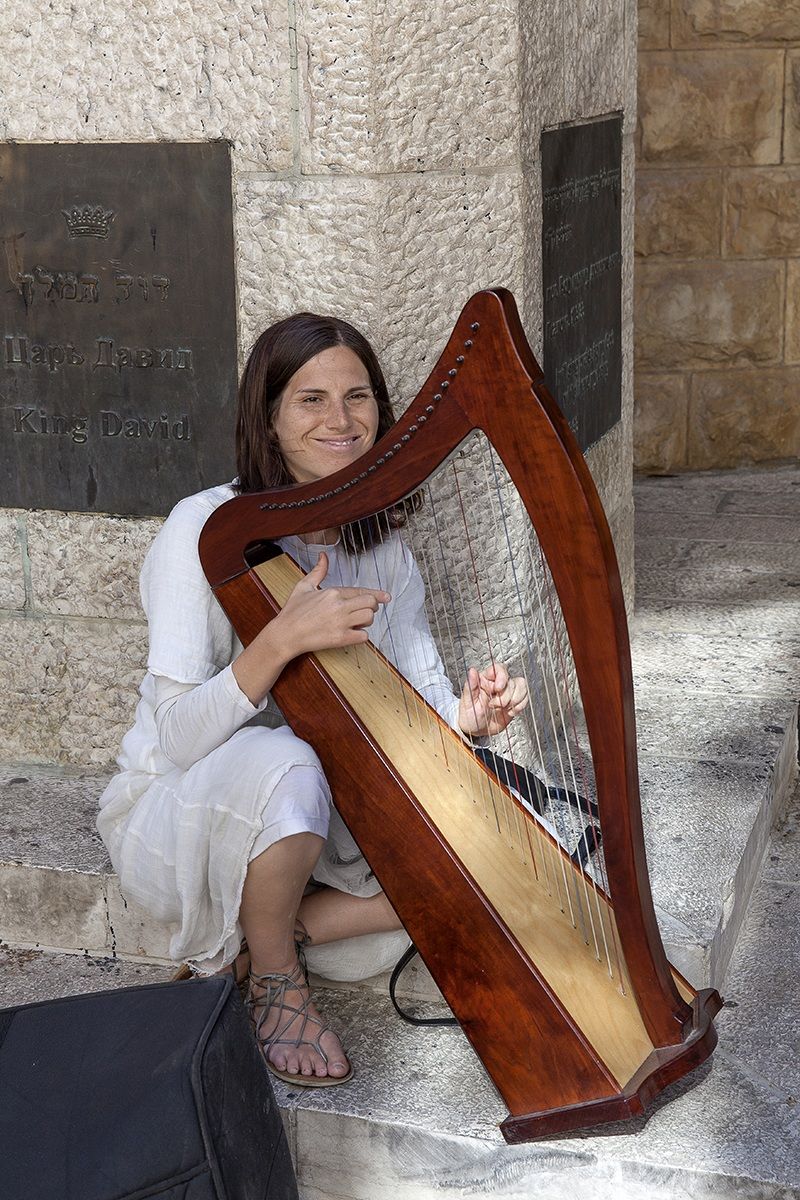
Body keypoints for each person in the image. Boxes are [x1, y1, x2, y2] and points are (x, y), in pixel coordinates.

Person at [97, 313, 528, 1088]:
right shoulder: (203, 531)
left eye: (358, 397)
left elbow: (421, 707)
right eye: (311, 400)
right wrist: (281, 639)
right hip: (182, 814)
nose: (341, 420)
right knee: (287, 761)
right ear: (268, 418)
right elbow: (178, 738)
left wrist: (472, 719)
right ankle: (276, 983)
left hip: (320, 831)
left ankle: (271, 929)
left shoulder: (381, 549)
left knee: (495, 845)